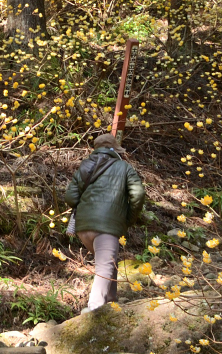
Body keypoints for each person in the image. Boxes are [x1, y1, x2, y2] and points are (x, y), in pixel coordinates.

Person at [64, 133, 145, 313]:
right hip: (107, 227)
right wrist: (128, 218)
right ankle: (95, 310)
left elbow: (70, 197)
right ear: (115, 149)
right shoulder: (124, 167)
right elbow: (138, 195)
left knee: (108, 261)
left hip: (83, 226)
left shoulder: (85, 166)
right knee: (105, 265)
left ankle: (111, 301)